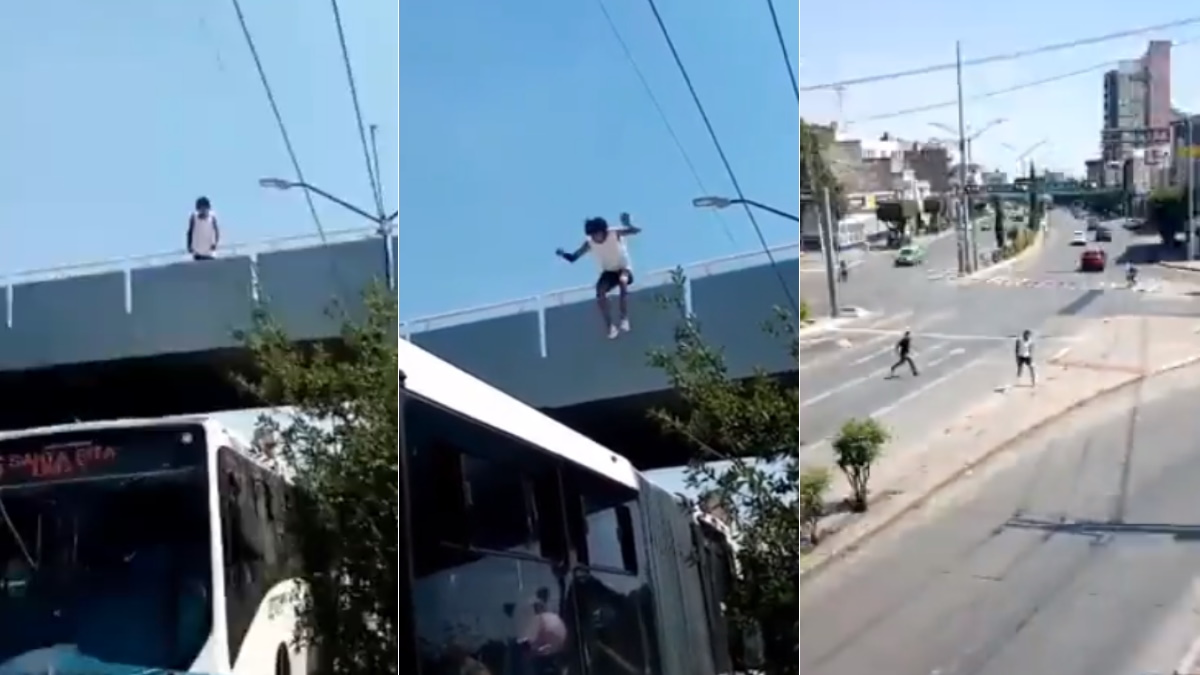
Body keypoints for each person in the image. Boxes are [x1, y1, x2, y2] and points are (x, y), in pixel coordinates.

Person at [556, 213, 641, 339]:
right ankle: (610, 326)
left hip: (624, 268)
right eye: (593, 236)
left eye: (597, 235)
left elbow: (635, 231)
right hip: (609, 272)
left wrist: (627, 224)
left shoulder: (614, 233)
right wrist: (563, 254)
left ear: (603, 231)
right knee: (600, 292)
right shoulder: (589, 243)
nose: (596, 238)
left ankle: (624, 318)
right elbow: (574, 258)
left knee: (623, 281)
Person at [187, 196, 221, 261]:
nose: (203, 210)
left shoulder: (212, 217)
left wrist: (215, 243)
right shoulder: (194, 218)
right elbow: (190, 233)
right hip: (197, 253)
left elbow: (216, 232)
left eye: (205, 208)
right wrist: (189, 246)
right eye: (201, 208)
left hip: (210, 252)